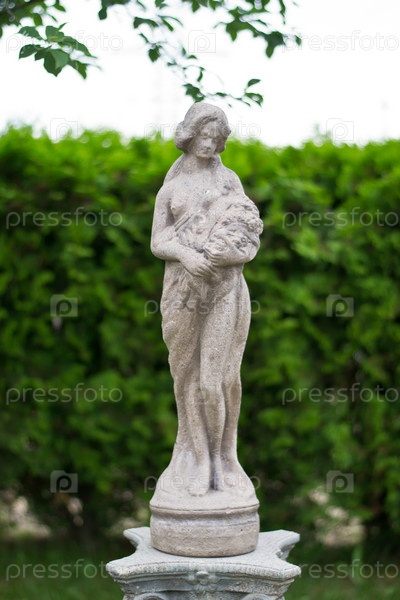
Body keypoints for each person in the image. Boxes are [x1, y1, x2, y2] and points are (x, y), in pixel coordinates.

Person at [151, 103, 263, 498]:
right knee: (187, 378)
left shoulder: (230, 182)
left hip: (224, 288)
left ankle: (223, 458)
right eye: (203, 136)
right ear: (189, 134)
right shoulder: (172, 188)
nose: (209, 144)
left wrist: (227, 255)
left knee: (218, 379)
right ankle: (197, 459)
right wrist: (186, 255)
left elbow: (247, 232)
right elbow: (158, 241)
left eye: (216, 138)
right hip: (182, 292)